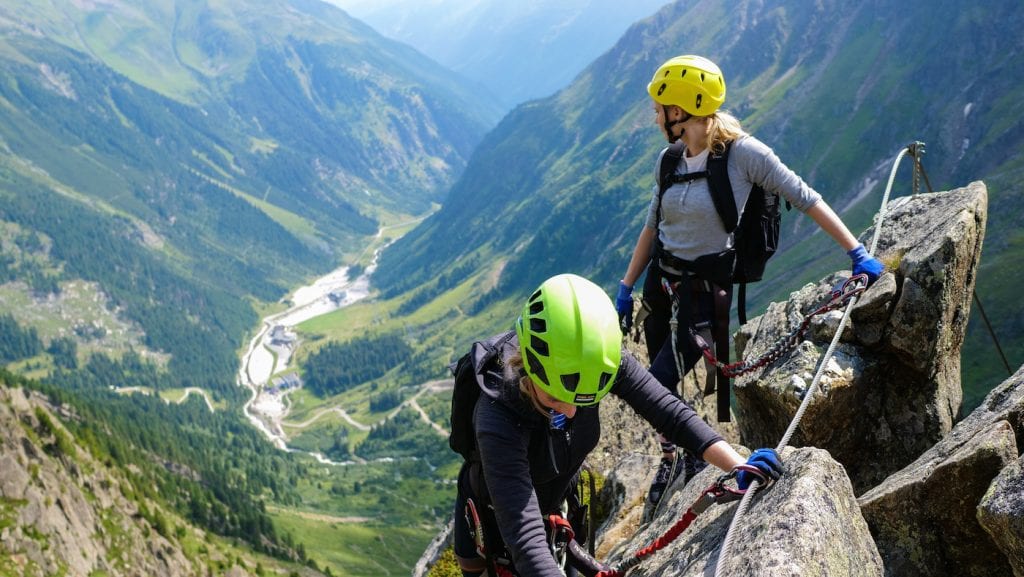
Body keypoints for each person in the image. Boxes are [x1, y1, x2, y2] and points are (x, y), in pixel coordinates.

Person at [614, 55, 884, 509]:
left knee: (656, 383)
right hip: (661, 283)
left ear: (681, 110)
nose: (655, 115)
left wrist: (857, 253)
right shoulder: (670, 159)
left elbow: (805, 196)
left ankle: (698, 454)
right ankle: (673, 452)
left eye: (660, 107)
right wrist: (626, 287)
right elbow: (651, 226)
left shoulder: (744, 155)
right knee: (663, 371)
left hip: (702, 292)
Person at [451, 273, 783, 577]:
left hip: (560, 505)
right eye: (554, 398)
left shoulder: (594, 363)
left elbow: (669, 413)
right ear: (529, 368)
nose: (568, 412)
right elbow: (524, 539)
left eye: (581, 400)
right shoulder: (497, 416)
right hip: (493, 520)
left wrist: (737, 463)